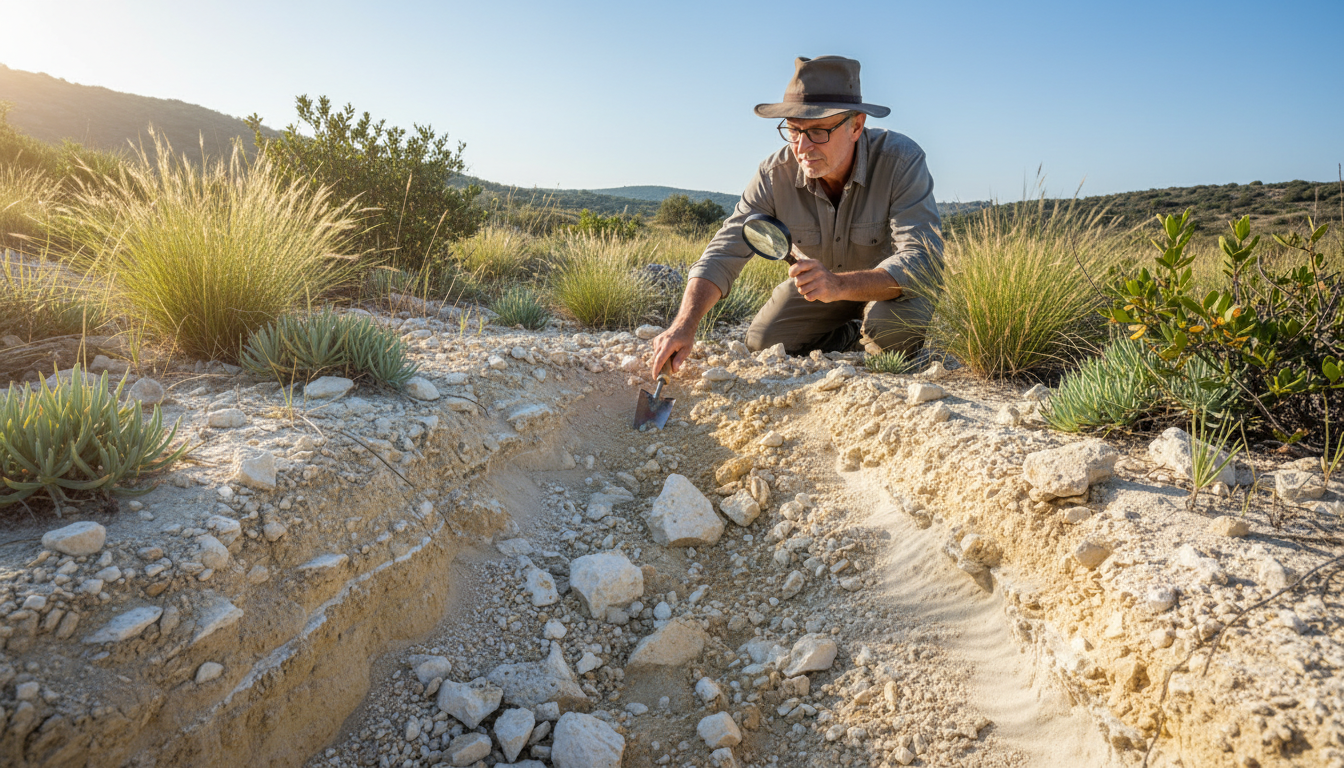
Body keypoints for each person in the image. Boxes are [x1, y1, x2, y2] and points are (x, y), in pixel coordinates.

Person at [648, 55, 942, 380]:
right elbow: (723, 252)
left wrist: (839, 284)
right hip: (823, 292)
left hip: (892, 292)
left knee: (890, 340)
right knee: (764, 342)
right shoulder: (774, 173)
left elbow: (922, 260)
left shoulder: (901, 161)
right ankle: (849, 334)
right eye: (793, 130)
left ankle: (873, 333)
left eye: (817, 131)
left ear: (856, 126)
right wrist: (683, 325)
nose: (802, 147)